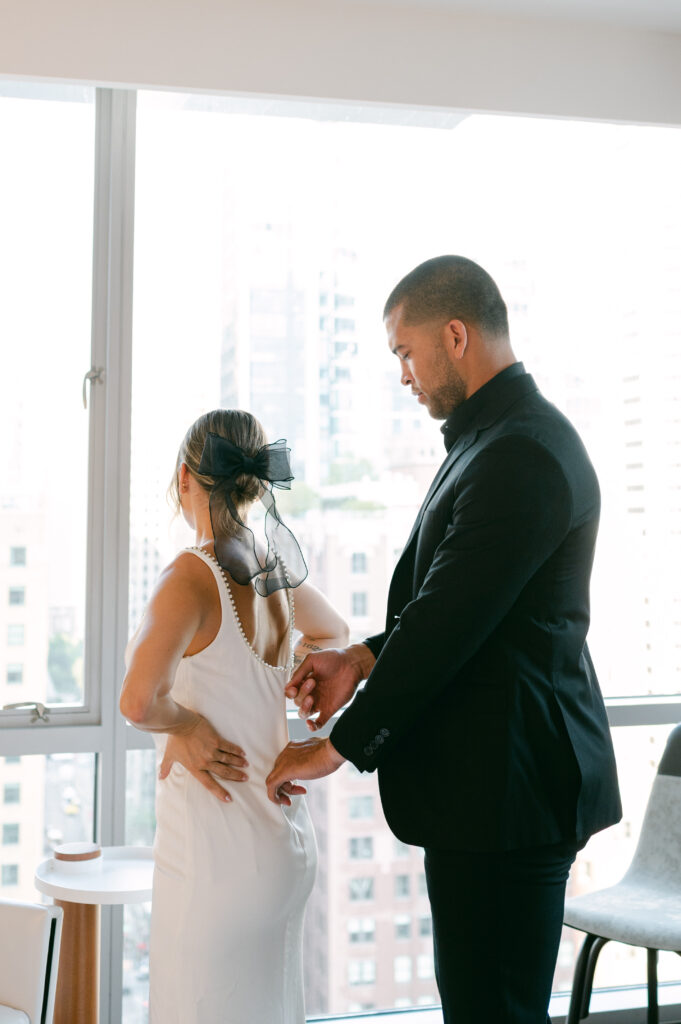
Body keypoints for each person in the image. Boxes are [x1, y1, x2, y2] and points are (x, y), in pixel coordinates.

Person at [266, 256, 622, 1024]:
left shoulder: (519, 452)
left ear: (454, 336)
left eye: (404, 351)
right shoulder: (492, 439)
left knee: (492, 1011)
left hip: (511, 791)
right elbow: (452, 605)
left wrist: (337, 744)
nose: (402, 374)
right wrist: (357, 659)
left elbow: (448, 624)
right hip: (492, 786)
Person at [120, 409, 349, 1024]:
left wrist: (188, 725)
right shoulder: (273, 565)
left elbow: (139, 702)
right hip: (285, 847)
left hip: (215, 860)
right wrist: (289, 673)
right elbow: (334, 632)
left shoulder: (189, 575)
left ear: (184, 478)